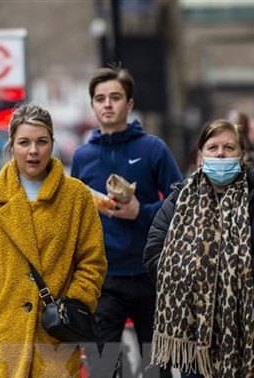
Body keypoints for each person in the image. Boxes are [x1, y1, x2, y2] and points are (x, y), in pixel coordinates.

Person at [143, 119, 254, 378]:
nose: (220, 153)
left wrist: (242, 269)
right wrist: (201, 270)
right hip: (194, 337)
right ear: (201, 156)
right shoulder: (178, 201)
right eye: (213, 147)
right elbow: (154, 254)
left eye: (229, 147)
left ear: (242, 156)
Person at [0, 103, 107, 377]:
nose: (33, 151)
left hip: (55, 335)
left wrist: (72, 305)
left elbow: (93, 261)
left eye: (42, 142)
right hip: (3, 332)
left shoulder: (75, 196)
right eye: (24, 142)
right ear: (12, 145)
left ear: (52, 143)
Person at [71, 65, 182, 377]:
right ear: (92, 105)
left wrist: (141, 212)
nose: (107, 104)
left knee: (156, 370)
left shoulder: (152, 148)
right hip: (104, 280)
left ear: (129, 104)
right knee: (103, 368)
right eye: (100, 98)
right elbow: (75, 216)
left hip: (152, 277)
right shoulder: (82, 156)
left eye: (115, 97)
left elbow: (182, 203)